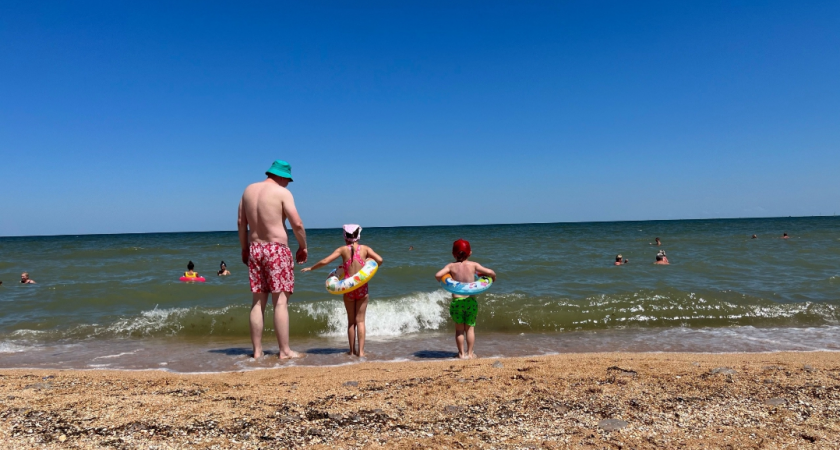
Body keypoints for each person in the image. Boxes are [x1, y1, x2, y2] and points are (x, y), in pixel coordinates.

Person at [238, 160, 308, 360]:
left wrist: (244, 249)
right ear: (282, 176)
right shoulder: (282, 193)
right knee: (280, 302)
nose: (288, 184)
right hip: (276, 249)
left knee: (258, 302)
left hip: (255, 248)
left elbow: (241, 223)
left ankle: (257, 352)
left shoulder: (248, 191)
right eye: (288, 180)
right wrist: (303, 247)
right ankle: (284, 351)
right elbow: (297, 223)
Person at [301, 224, 383, 357]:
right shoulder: (365, 249)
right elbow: (380, 260)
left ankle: (351, 351)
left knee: (351, 322)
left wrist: (311, 268)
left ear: (345, 237)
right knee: (360, 321)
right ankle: (361, 352)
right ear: (358, 236)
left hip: (348, 290)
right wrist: (369, 260)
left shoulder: (342, 249)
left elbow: (326, 260)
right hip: (362, 289)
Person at [434, 239, 496, 360]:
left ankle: (461, 354)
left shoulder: (451, 266)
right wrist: (493, 277)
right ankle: (470, 353)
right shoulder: (474, 265)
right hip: (470, 302)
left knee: (459, 330)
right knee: (470, 329)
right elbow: (490, 272)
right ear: (470, 253)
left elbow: (438, 275)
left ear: (453, 254)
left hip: (457, 302)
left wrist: (443, 281)